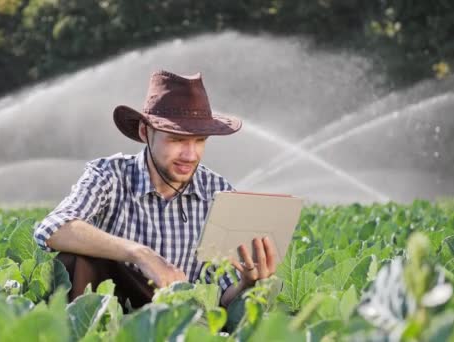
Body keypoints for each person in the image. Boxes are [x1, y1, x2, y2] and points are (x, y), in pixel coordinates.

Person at [33, 70, 277, 309]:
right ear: (144, 132)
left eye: (200, 140)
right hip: (111, 314)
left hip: (179, 321)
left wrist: (247, 282)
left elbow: (221, 298)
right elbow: (51, 228)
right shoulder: (109, 175)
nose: (190, 154)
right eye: (176, 139)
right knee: (74, 260)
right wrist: (139, 253)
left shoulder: (218, 192)